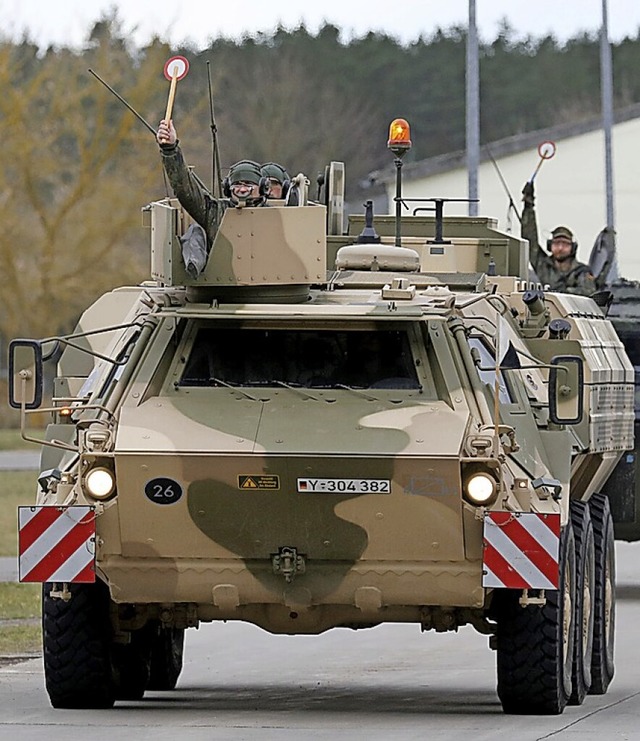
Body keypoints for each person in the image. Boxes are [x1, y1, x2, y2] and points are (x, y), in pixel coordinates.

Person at [156, 118, 267, 245]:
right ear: (228, 188)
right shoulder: (216, 213)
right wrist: (170, 149)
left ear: (262, 188)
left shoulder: (275, 217)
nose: (242, 190)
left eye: (248, 185)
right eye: (237, 184)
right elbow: (186, 191)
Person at [521, 180, 596, 296]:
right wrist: (528, 206)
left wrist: (562, 292)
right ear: (550, 245)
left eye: (565, 244)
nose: (560, 247)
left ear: (573, 248)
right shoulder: (544, 267)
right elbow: (529, 240)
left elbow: (587, 292)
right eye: (556, 243)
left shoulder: (581, 272)